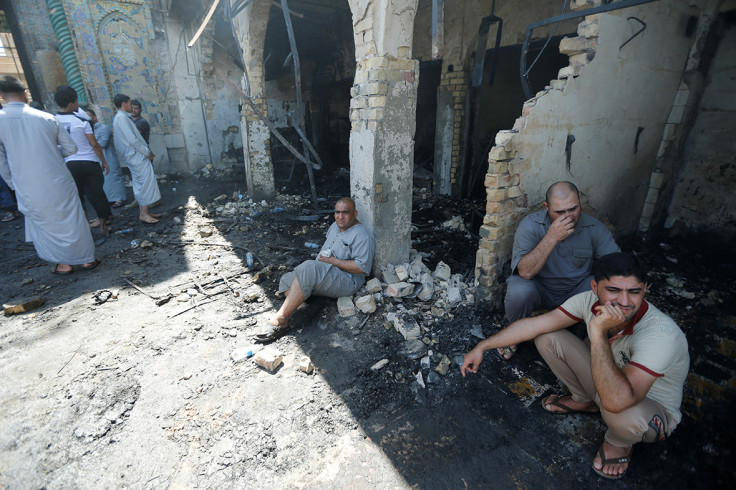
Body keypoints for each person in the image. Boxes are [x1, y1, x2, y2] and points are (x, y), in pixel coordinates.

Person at [462, 252, 689, 480]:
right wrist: (483, 346)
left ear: (645, 289)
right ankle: (584, 400)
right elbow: (535, 325)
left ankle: (619, 443)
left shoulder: (660, 334)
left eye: (634, 291)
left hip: (647, 412)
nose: (624, 301)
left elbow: (616, 401)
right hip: (607, 384)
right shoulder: (587, 300)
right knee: (547, 337)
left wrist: (598, 332)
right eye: (613, 290)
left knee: (621, 415)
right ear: (595, 287)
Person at [499, 181, 620, 359]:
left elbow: (616, 266)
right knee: (518, 288)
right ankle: (514, 335)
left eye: (573, 209)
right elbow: (525, 272)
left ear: (579, 202)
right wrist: (551, 237)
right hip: (540, 290)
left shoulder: (594, 228)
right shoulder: (531, 225)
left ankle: (594, 339)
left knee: (602, 286)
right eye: (559, 212)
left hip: (576, 292)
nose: (568, 216)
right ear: (547, 207)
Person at [0, 75, 99, 274]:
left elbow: (1, 162)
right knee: (73, 218)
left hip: (26, 183)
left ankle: (64, 264)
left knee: (45, 224)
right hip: (58, 178)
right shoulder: (46, 117)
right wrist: (52, 154)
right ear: (25, 93)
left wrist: (13, 183)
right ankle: (87, 259)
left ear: (2, 96)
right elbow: (71, 148)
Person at [255, 197, 376, 343]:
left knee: (308, 268)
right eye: (337, 212)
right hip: (328, 272)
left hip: (348, 279)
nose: (340, 216)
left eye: (345, 212)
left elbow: (361, 268)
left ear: (355, 214)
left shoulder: (362, 235)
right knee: (287, 279)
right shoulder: (335, 226)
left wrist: (333, 261)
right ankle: (305, 306)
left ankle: (281, 319)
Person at [54, 86, 112, 236]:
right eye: (76, 102)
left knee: (78, 197)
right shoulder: (81, 120)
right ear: (71, 104)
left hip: (69, 164)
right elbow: (94, 144)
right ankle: (104, 227)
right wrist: (104, 162)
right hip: (89, 162)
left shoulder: (52, 121)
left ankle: (85, 228)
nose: (78, 105)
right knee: (97, 194)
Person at [112, 93, 161, 224]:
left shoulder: (121, 118)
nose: (131, 107)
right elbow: (133, 140)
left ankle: (144, 212)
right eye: (129, 103)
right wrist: (147, 153)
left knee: (141, 183)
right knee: (144, 184)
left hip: (133, 156)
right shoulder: (121, 119)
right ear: (123, 103)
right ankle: (144, 214)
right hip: (136, 156)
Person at [84, 108, 126, 208]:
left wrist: (91, 142)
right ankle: (109, 199)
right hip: (97, 159)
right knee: (103, 180)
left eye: (88, 116)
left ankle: (119, 198)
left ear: (94, 117)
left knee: (113, 177)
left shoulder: (104, 128)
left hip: (108, 157)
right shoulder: (88, 130)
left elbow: (102, 143)